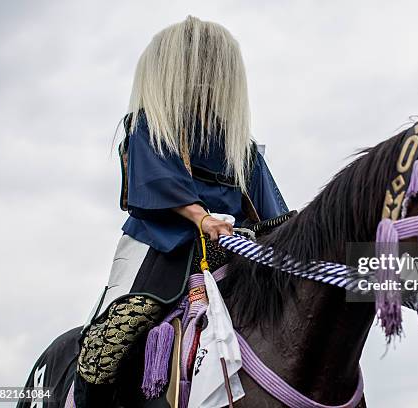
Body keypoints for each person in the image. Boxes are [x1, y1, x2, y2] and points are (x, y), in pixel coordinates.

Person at [74, 16, 288, 407]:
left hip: (234, 252)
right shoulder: (149, 126)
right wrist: (201, 218)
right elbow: (155, 183)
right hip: (161, 250)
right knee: (108, 345)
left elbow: (270, 213)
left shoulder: (241, 146)